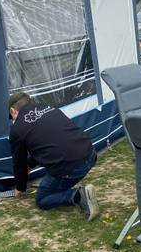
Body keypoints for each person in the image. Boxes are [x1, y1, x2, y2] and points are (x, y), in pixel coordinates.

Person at [8, 93, 99, 221]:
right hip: (90, 153)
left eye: (11, 116)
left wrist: (20, 188)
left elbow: (19, 162)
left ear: (13, 111)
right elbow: (50, 142)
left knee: (43, 200)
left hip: (71, 166)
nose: (12, 120)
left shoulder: (16, 129)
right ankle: (69, 187)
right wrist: (30, 164)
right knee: (59, 167)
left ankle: (78, 196)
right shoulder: (48, 107)